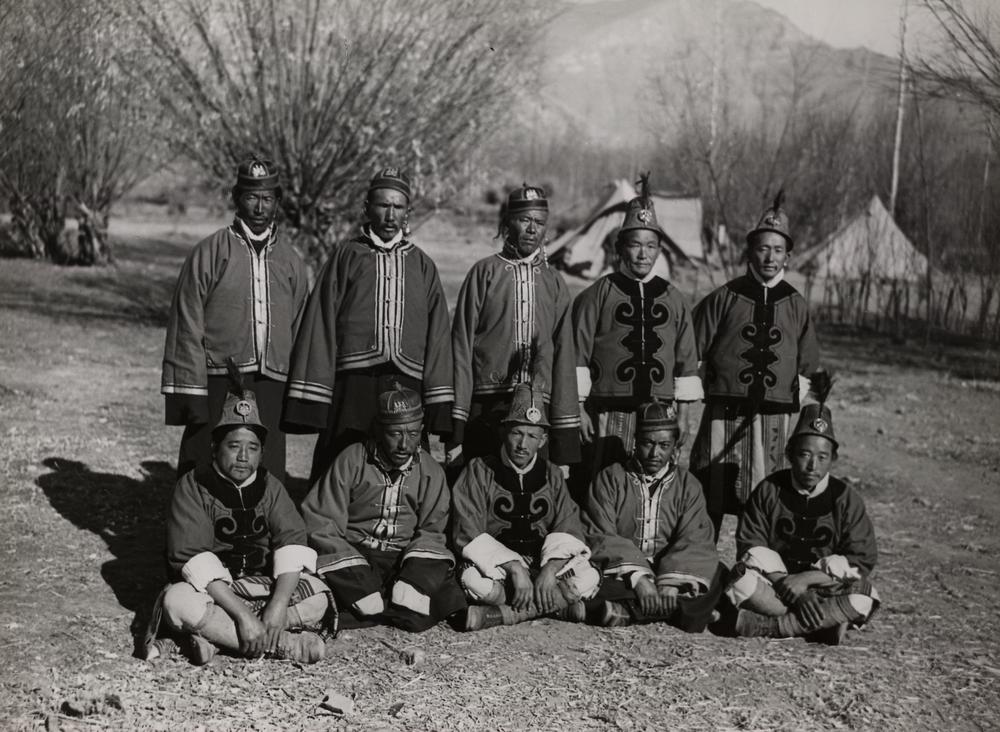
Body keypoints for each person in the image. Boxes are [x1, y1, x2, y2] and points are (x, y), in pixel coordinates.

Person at [284, 168, 454, 482]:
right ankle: (330, 522)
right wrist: (313, 392)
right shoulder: (347, 256)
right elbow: (320, 322)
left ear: (408, 212)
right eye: (382, 205)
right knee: (341, 459)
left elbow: (440, 336)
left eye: (398, 207)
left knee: (405, 460)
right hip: (354, 382)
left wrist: (439, 402)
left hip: (407, 380)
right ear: (367, 208)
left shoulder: (423, 265)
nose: (390, 214)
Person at [151, 381, 334, 665]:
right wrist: (244, 616)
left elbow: (292, 542)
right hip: (214, 593)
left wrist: (277, 605)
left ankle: (215, 638)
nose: (243, 457)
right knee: (177, 602)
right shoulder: (194, 486)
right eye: (234, 446)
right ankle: (282, 644)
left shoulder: (270, 486)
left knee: (319, 597)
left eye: (253, 448)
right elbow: (192, 557)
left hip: (261, 585)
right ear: (215, 447)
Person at [162, 158, 308, 483]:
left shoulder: (291, 261)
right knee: (205, 457)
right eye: (251, 196)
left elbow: (299, 327)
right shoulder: (209, 252)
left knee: (266, 464)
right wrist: (190, 386)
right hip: (218, 376)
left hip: (272, 378)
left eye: (267, 198)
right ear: (236, 197)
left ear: (277, 202)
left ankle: (261, 530)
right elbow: (186, 321)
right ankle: (196, 526)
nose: (259, 207)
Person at [690, 190, 820, 539]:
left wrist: (800, 397)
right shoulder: (726, 296)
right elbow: (691, 344)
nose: (769, 257)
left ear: (788, 256)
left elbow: (809, 362)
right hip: (723, 413)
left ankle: (754, 572)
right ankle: (700, 572)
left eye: (778, 251)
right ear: (750, 250)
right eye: (763, 248)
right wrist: (701, 381)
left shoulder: (796, 304)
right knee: (710, 493)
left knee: (764, 498)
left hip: (773, 418)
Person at [572, 175, 702, 488]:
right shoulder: (597, 294)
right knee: (601, 482)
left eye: (651, 246)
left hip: (658, 416)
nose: (643, 254)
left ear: (660, 251)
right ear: (620, 248)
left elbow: (685, 359)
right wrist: (579, 409)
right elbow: (577, 354)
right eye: (635, 245)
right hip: (607, 412)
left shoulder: (673, 298)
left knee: (649, 484)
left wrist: (683, 416)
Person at [300, 385, 465, 632]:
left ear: (421, 431)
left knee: (432, 603)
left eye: (412, 434)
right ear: (378, 430)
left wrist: (415, 577)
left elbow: (433, 530)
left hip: (404, 558)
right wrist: (353, 569)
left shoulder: (430, 471)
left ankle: (374, 606)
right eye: (395, 433)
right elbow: (322, 520)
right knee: (347, 592)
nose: (403, 444)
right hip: (356, 554)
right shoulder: (352, 460)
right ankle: (375, 603)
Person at [727, 387, 879, 644]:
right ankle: (824, 624)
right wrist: (791, 587)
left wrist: (806, 580)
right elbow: (751, 544)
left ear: (833, 459)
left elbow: (862, 558)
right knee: (739, 581)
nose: (812, 466)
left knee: (864, 595)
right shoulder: (769, 490)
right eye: (804, 455)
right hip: (777, 586)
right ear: (789, 455)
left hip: (826, 588)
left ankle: (774, 626)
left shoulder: (846, 497)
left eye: (822, 457)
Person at [449, 184, 580, 475]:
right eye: (525, 220)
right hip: (487, 403)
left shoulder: (554, 282)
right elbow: (461, 345)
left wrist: (564, 437)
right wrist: (456, 426)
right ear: (508, 222)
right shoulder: (484, 273)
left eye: (540, 222)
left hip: (537, 411)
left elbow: (564, 356)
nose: (532, 229)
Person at [451, 383, 600, 631]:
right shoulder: (479, 470)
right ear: (504, 432)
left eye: (532, 436)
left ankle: (505, 614)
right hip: (499, 568)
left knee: (590, 576)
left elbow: (567, 524)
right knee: (472, 580)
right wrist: (515, 568)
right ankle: (557, 605)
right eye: (516, 433)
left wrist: (550, 570)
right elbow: (467, 530)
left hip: (542, 565)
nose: (523, 444)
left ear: (543, 440)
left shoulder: (551, 474)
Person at [582, 400, 725, 630]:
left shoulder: (688, 485)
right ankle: (683, 612)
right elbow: (599, 532)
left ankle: (628, 611)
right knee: (589, 577)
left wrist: (672, 583)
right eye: (647, 443)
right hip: (623, 573)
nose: (654, 453)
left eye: (664, 445)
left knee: (717, 572)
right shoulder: (611, 478)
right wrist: (639, 579)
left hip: (669, 568)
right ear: (636, 442)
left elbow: (695, 537)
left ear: (675, 447)